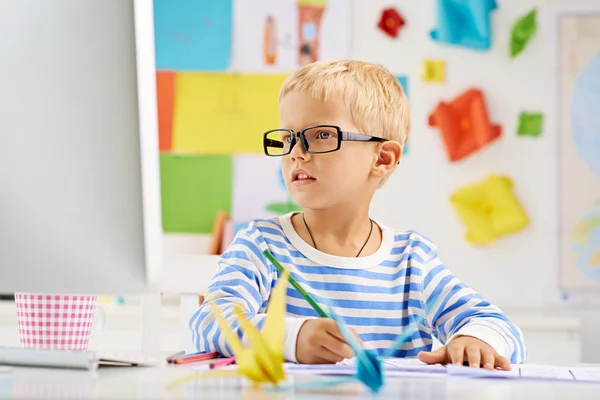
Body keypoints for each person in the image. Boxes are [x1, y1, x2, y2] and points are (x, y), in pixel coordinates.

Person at [189, 59, 526, 369]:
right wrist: (290, 337)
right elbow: (210, 321)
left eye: (321, 135)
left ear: (382, 159)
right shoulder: (262, 244)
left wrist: (475, 340)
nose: (296, 153)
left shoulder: (412, 260)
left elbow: (500, 327)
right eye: (289, 137)